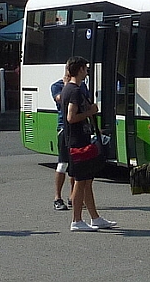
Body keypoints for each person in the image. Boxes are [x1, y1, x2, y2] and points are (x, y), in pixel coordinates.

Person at [62, 56, 116, 232]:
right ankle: (76, 220)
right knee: (80, 180)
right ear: (79, 71)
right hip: (77, 142)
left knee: (87, 181)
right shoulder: (74, 91)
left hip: (79, 140)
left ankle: (95, 218)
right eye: (85, 69)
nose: (87, 72)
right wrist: (90, 112)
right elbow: (71, 117)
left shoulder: (69, 89)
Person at [51, 70, 91, 210]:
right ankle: (57, 197)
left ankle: (72, 196)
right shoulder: (57, 86)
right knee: (62, 164)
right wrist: (67, 85)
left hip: (80, 129)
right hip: (64, 128)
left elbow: (86, 103)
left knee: (76, 164)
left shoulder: (82, 86)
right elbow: (61, 99)